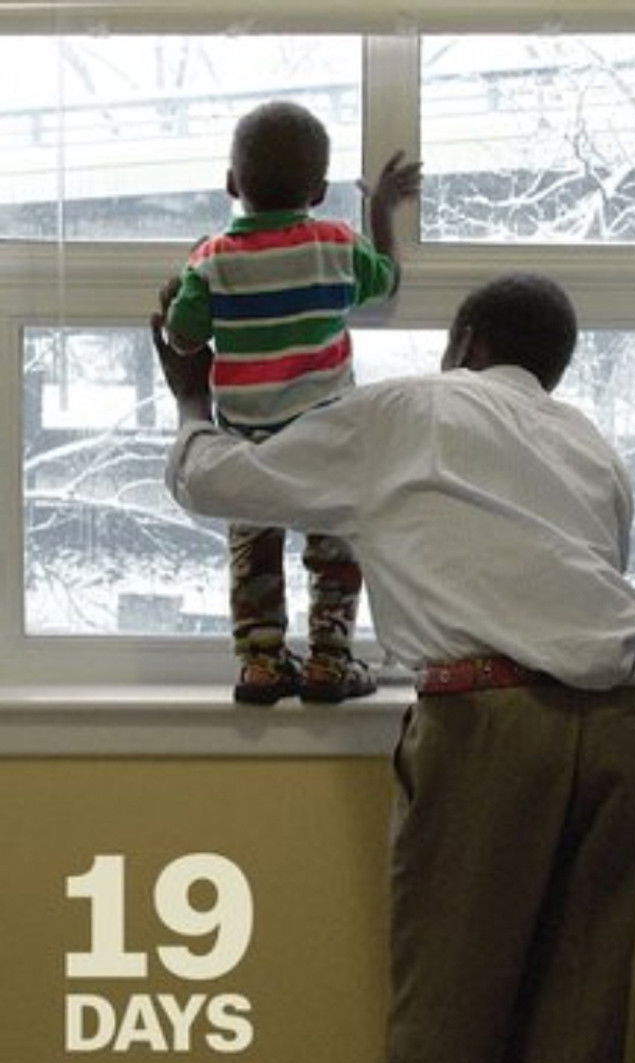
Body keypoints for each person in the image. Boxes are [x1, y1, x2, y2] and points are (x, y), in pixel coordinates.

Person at [156, 271, 635, 1063]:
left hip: (491, 728)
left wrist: (193, 396)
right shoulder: (592, 448)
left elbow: (220, 482)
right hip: (623, 728)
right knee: (577, 1038)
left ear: (466, 343)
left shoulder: (414, 411)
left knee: (446, 1022)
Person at [165, 100, 421, 704]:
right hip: (327, 438)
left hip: (247, 441)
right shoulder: (335, 246)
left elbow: (183, 337)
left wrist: (184, 285)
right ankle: (329, 660)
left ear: (232, 184)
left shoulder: (212, 261)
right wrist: (380, 212)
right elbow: (387, 278)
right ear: (320, 191)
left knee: (254, 549)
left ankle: (261, 662)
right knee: (335, 546)